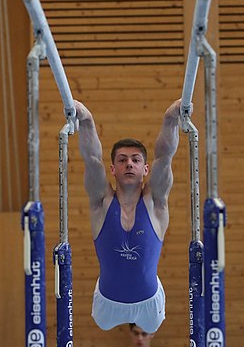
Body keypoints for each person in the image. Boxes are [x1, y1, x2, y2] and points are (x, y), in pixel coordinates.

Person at [74, 98, 182, 333]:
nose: (129, 164)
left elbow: (164, 157)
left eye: (135, 160)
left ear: (145, 169)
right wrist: (86, 120)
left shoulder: (155, 203)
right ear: (112, 169)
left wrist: (170, 118)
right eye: (122, 160)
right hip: (107, 303)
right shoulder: (102, 203)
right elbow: (92, 160)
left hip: (149, 303)